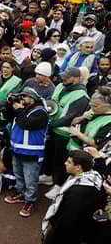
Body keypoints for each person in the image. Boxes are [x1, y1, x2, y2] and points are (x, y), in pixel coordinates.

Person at [41, 150, 104, 244]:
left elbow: (67, 219)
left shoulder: (77, 193)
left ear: (78, 167)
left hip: (66, 234)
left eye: (69, 162)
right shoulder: (93, 176)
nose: (65, 163)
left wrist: (54, 224)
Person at [46, 68, 90, 199]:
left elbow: (70, 118)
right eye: (64, 76)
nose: (63, 79)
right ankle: (47, 176)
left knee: (62, 161)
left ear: (77, 79)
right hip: (53, 129)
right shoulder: (61, 85)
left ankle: (59, 186)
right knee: (51, 155)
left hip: (64, 133)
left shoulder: (81, 97)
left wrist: (49, 124)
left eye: (67, 77)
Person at [5, 87, 50, 217]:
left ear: (33, 98)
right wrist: (10, 105)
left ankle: (30, 200)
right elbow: (9, 118)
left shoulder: (40, 112)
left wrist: (19, 109)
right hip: (17, 149)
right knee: (19, 175)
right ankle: (21, 193)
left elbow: (26, 124)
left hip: (32, 153)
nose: (22, 99)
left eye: (24, 96)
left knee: (30, 179)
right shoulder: (22, 110)